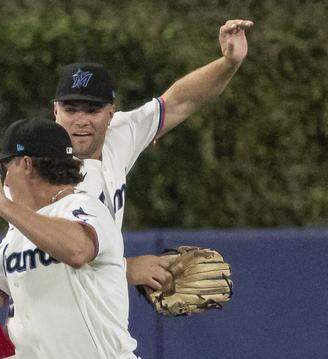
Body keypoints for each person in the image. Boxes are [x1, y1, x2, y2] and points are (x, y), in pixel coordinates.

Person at [52, 19, 253, 291]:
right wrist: (126, 268)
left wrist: (229, 62)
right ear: (55, 112)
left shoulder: (118, 134)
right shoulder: (38, 169)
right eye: (71, 109)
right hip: (53, 318)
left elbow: (180, 101)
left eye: (91, 110)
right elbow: (44, 259)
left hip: (95, 316)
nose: (80, 120)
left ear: (111, 113)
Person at [0, 119, 140, 358]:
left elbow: (77, 250)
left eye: (9, 167)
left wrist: (1, 202)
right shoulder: (18, 235)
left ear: (27, 164)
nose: (5, 180)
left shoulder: (87, 206)